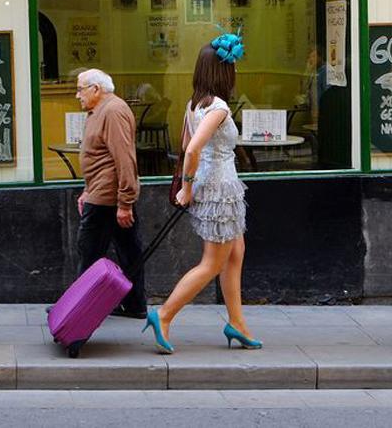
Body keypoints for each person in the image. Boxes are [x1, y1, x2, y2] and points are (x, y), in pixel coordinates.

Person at [144, 34, 259, 354]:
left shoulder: (194, 104)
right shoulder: (219, 108)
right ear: (224, 73)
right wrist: (186, 188)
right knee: (212, 263)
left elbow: (184, 145)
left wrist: (192, 183)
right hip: (220, 189)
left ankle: (237, 323)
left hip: (216, 187)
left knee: (235, 253)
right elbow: (192, 150)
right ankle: (163, 314)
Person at [73, 68, 146, 319]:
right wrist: (86, 190)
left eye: (80, 88)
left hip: (107, 198)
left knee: (90, 252)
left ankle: (79, 310)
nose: (77, 95)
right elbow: (97, 156)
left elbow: (124, 158)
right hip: (101, 193)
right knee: (127, 250)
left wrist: (125, 202)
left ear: (96, 89)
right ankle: (135, 305)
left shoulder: (113, 111)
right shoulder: (98, 111)